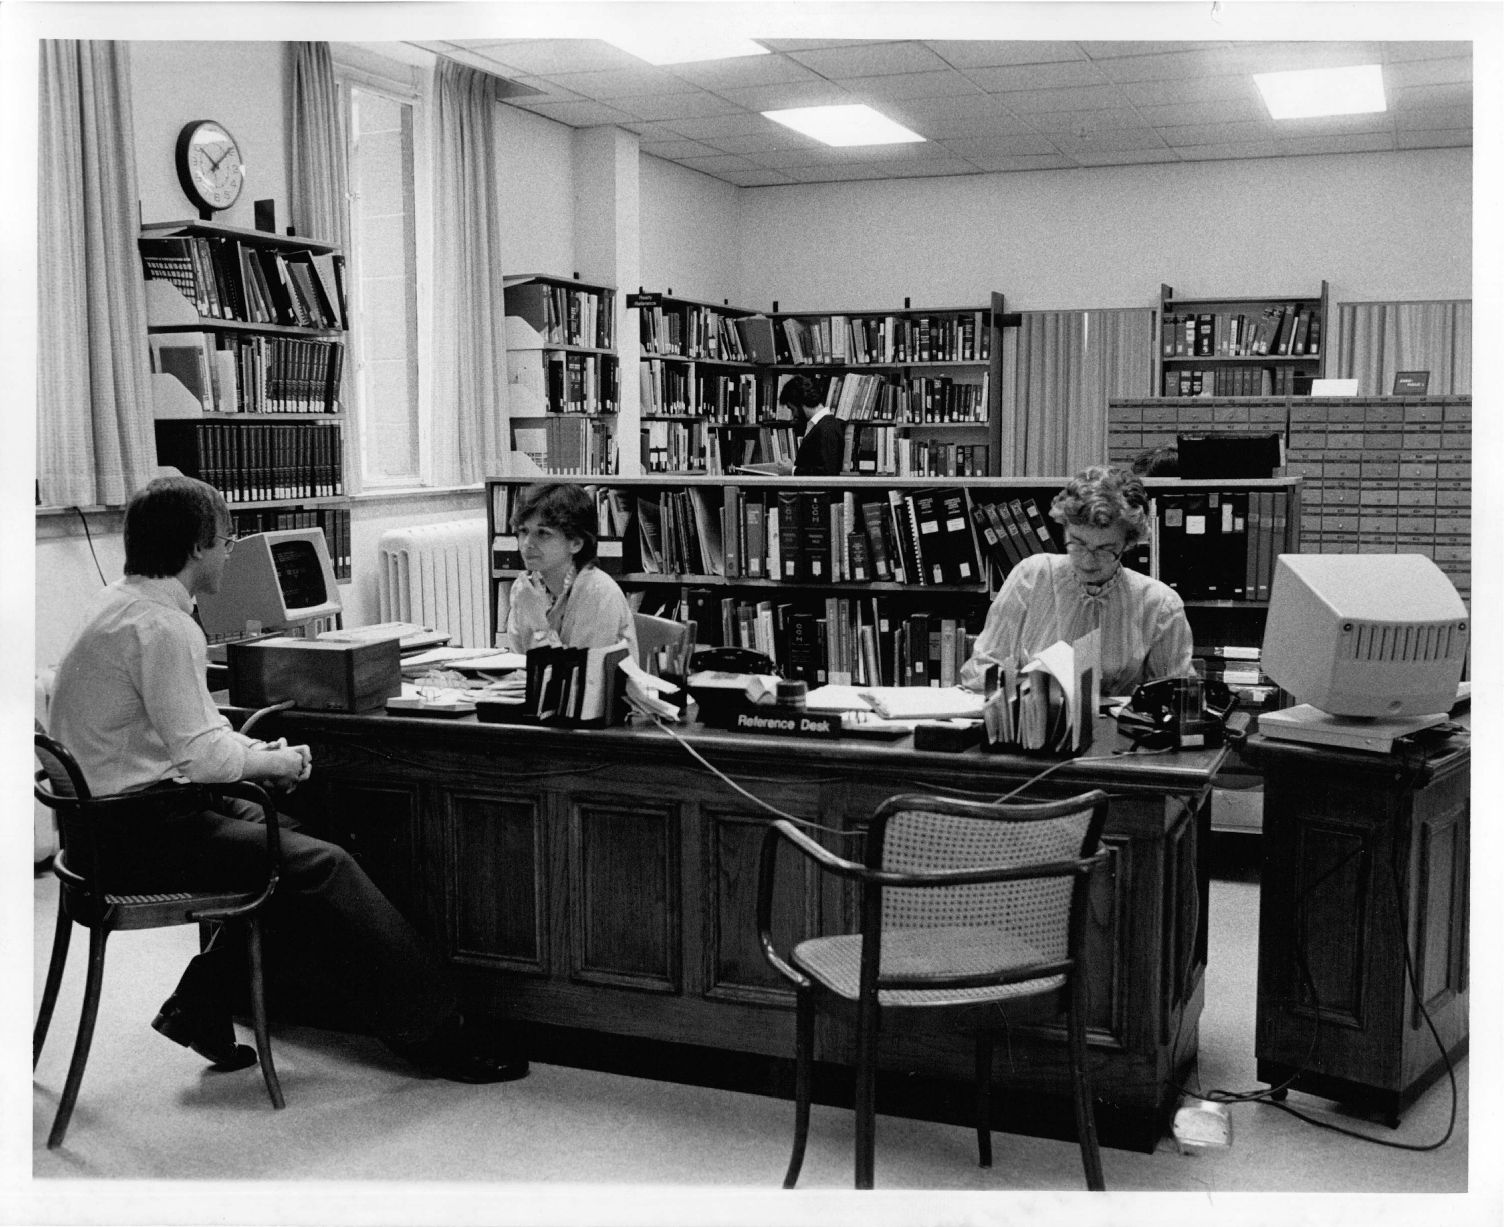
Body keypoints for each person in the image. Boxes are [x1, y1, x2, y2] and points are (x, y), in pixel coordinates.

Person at [48, 476, 526, 1084]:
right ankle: (435, 1031)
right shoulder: (165, 629)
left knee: (305, 839)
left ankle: (201, 1002)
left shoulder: (118, 604)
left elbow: (186, 738)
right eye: (226, 540)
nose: (229, 552)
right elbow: (202, 759)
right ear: (197, 548)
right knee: (323, 868)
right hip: (137, 835)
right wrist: (276, 761)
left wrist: (253, 749)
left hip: (107, 822)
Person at [960, 465, 1194, 696]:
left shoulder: (1161, 604)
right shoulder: (1031, 575)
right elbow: (979, 671)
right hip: (1034, 726)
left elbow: (1175, 697)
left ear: (1128, 543)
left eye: (1105, 549)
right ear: (1064, 528)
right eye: (1078, 543)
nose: (1087, 561)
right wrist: (1033, 685)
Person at [502, 482, 638, 659]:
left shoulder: (599, 593)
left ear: (575, 543)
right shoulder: (527, 587)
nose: (527, 543)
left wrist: (538, 624)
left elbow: (575, 680)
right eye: (523, 531)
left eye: (543, 533)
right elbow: (519, 665)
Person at [779, 375, 845, 477]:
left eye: (792, 409)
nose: (793, 415)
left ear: (799, 402)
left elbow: (827, 472)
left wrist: (793, 470)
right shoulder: (821, 425)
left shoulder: (826, 428)